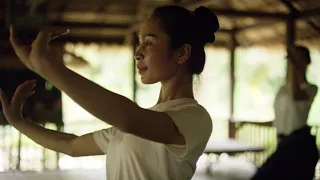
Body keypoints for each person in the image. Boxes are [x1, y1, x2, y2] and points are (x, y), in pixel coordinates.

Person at [0, 5, 219, 180]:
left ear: (182, 53)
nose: (138, 53)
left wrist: (49, 68)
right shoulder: (141, 122)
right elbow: (71, 145)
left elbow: (128, 118)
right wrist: (19, 122)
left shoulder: (194, 118)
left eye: (149, 43)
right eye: (140, 43)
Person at [273, 45, 318, 143]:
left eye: (300, 59)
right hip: (282, 140)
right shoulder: (283, 89)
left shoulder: (311, 89)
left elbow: (296, 95)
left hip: (298, 140)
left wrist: (293, 64)